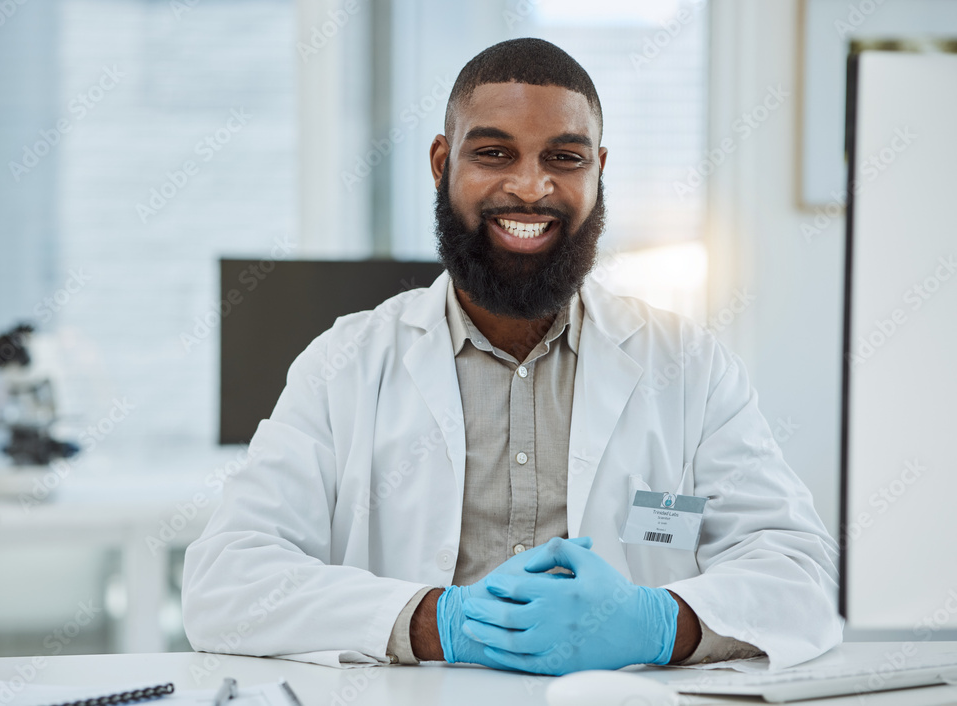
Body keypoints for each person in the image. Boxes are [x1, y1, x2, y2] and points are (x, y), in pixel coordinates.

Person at [182, 38, 842, 675]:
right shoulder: (345, 363)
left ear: (599, 171)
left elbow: (800, 574)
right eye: (495, 153)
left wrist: (659, 622)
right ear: (442, 163)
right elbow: (225, 580)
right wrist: (437, 622)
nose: (531, 188)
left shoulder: (690, 367)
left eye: (564, 157)